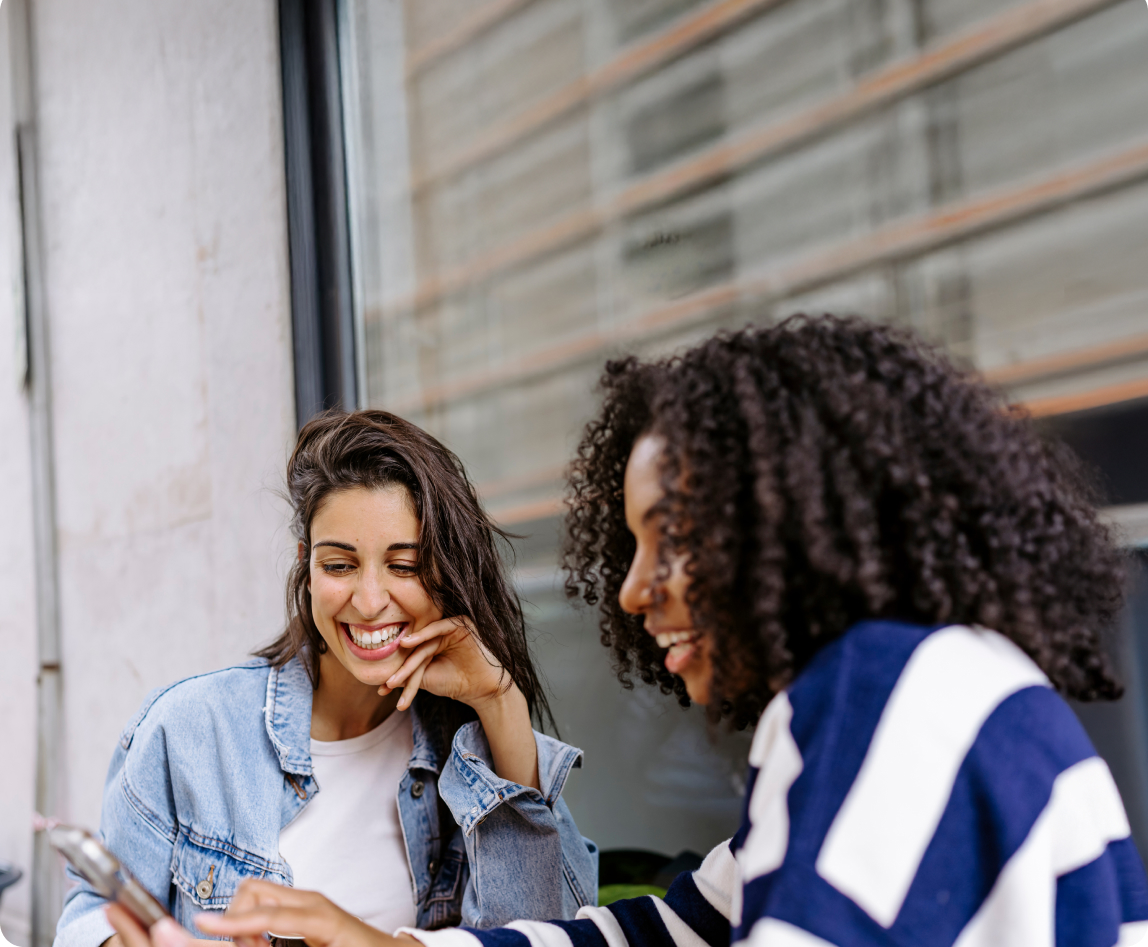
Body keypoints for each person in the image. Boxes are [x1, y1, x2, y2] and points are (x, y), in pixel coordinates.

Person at [111, 317, 1148, 947]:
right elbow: (639, 934)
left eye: (675, 540)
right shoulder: (913, 694)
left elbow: (554, 906)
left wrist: (500, 714)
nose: (630, 590)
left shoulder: (883, 698)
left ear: (781, 529)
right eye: (336, 564)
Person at [57, 410, 597, 947]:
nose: (367, 601)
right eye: (339, 565)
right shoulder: (191, 730)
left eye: (404, 566)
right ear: (307, 568)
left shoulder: (469, 752)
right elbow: (90, 916)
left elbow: (553, 934)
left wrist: (501, 702)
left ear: (446, 574)